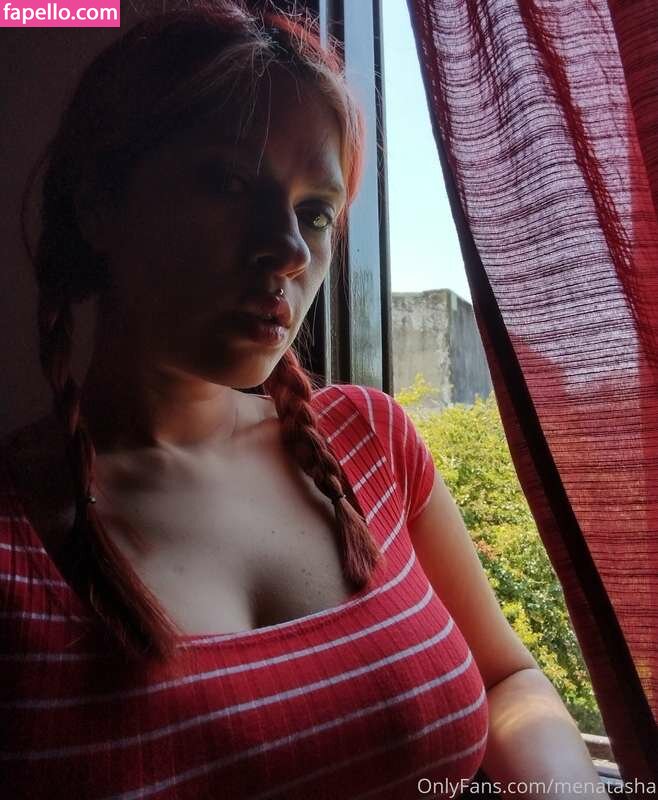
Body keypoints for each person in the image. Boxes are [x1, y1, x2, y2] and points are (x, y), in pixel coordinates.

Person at [0, 2, 609, 798]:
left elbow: (505, 680)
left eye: (315, 213)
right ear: (100, 204)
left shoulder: (370, 439)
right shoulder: (19, 539)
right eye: (228, 183)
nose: (289, 250)